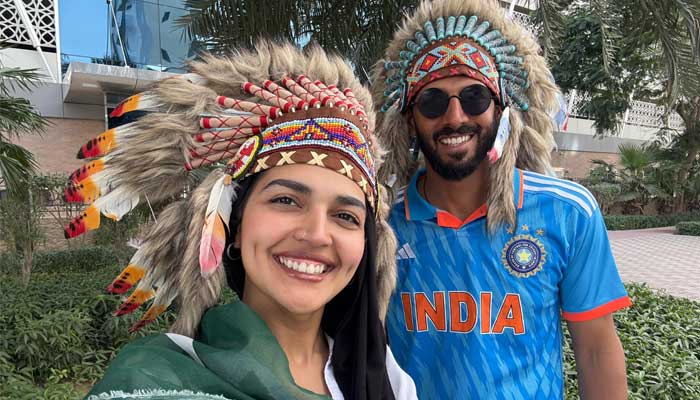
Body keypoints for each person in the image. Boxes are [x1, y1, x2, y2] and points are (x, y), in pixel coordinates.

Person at [62, 41, 416, 400]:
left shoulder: (386, 379)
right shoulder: (159, 382)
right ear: (234, 224)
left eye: (345, 216)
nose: (317, 234)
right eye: (286, 200)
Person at [371, 0, 631, 398]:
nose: (455, 117)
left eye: (474, 97)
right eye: (432, 101)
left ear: (502, 108)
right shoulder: (383, 226)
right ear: (409, 118)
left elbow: (595, 350)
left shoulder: (567, 213)